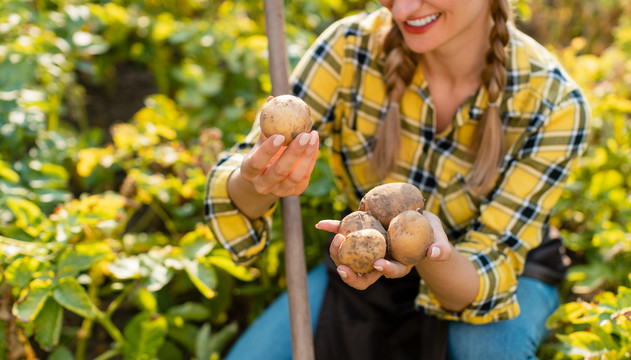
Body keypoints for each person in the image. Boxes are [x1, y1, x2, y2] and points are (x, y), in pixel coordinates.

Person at [204, 0, 590, 359]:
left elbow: (471, 289)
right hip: (370, 263)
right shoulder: (348, 48)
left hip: (488, 276)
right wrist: (259, 179)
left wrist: (424, 249)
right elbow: (237, 180)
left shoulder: (554, 103)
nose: (402, 9)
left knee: (483, 349)